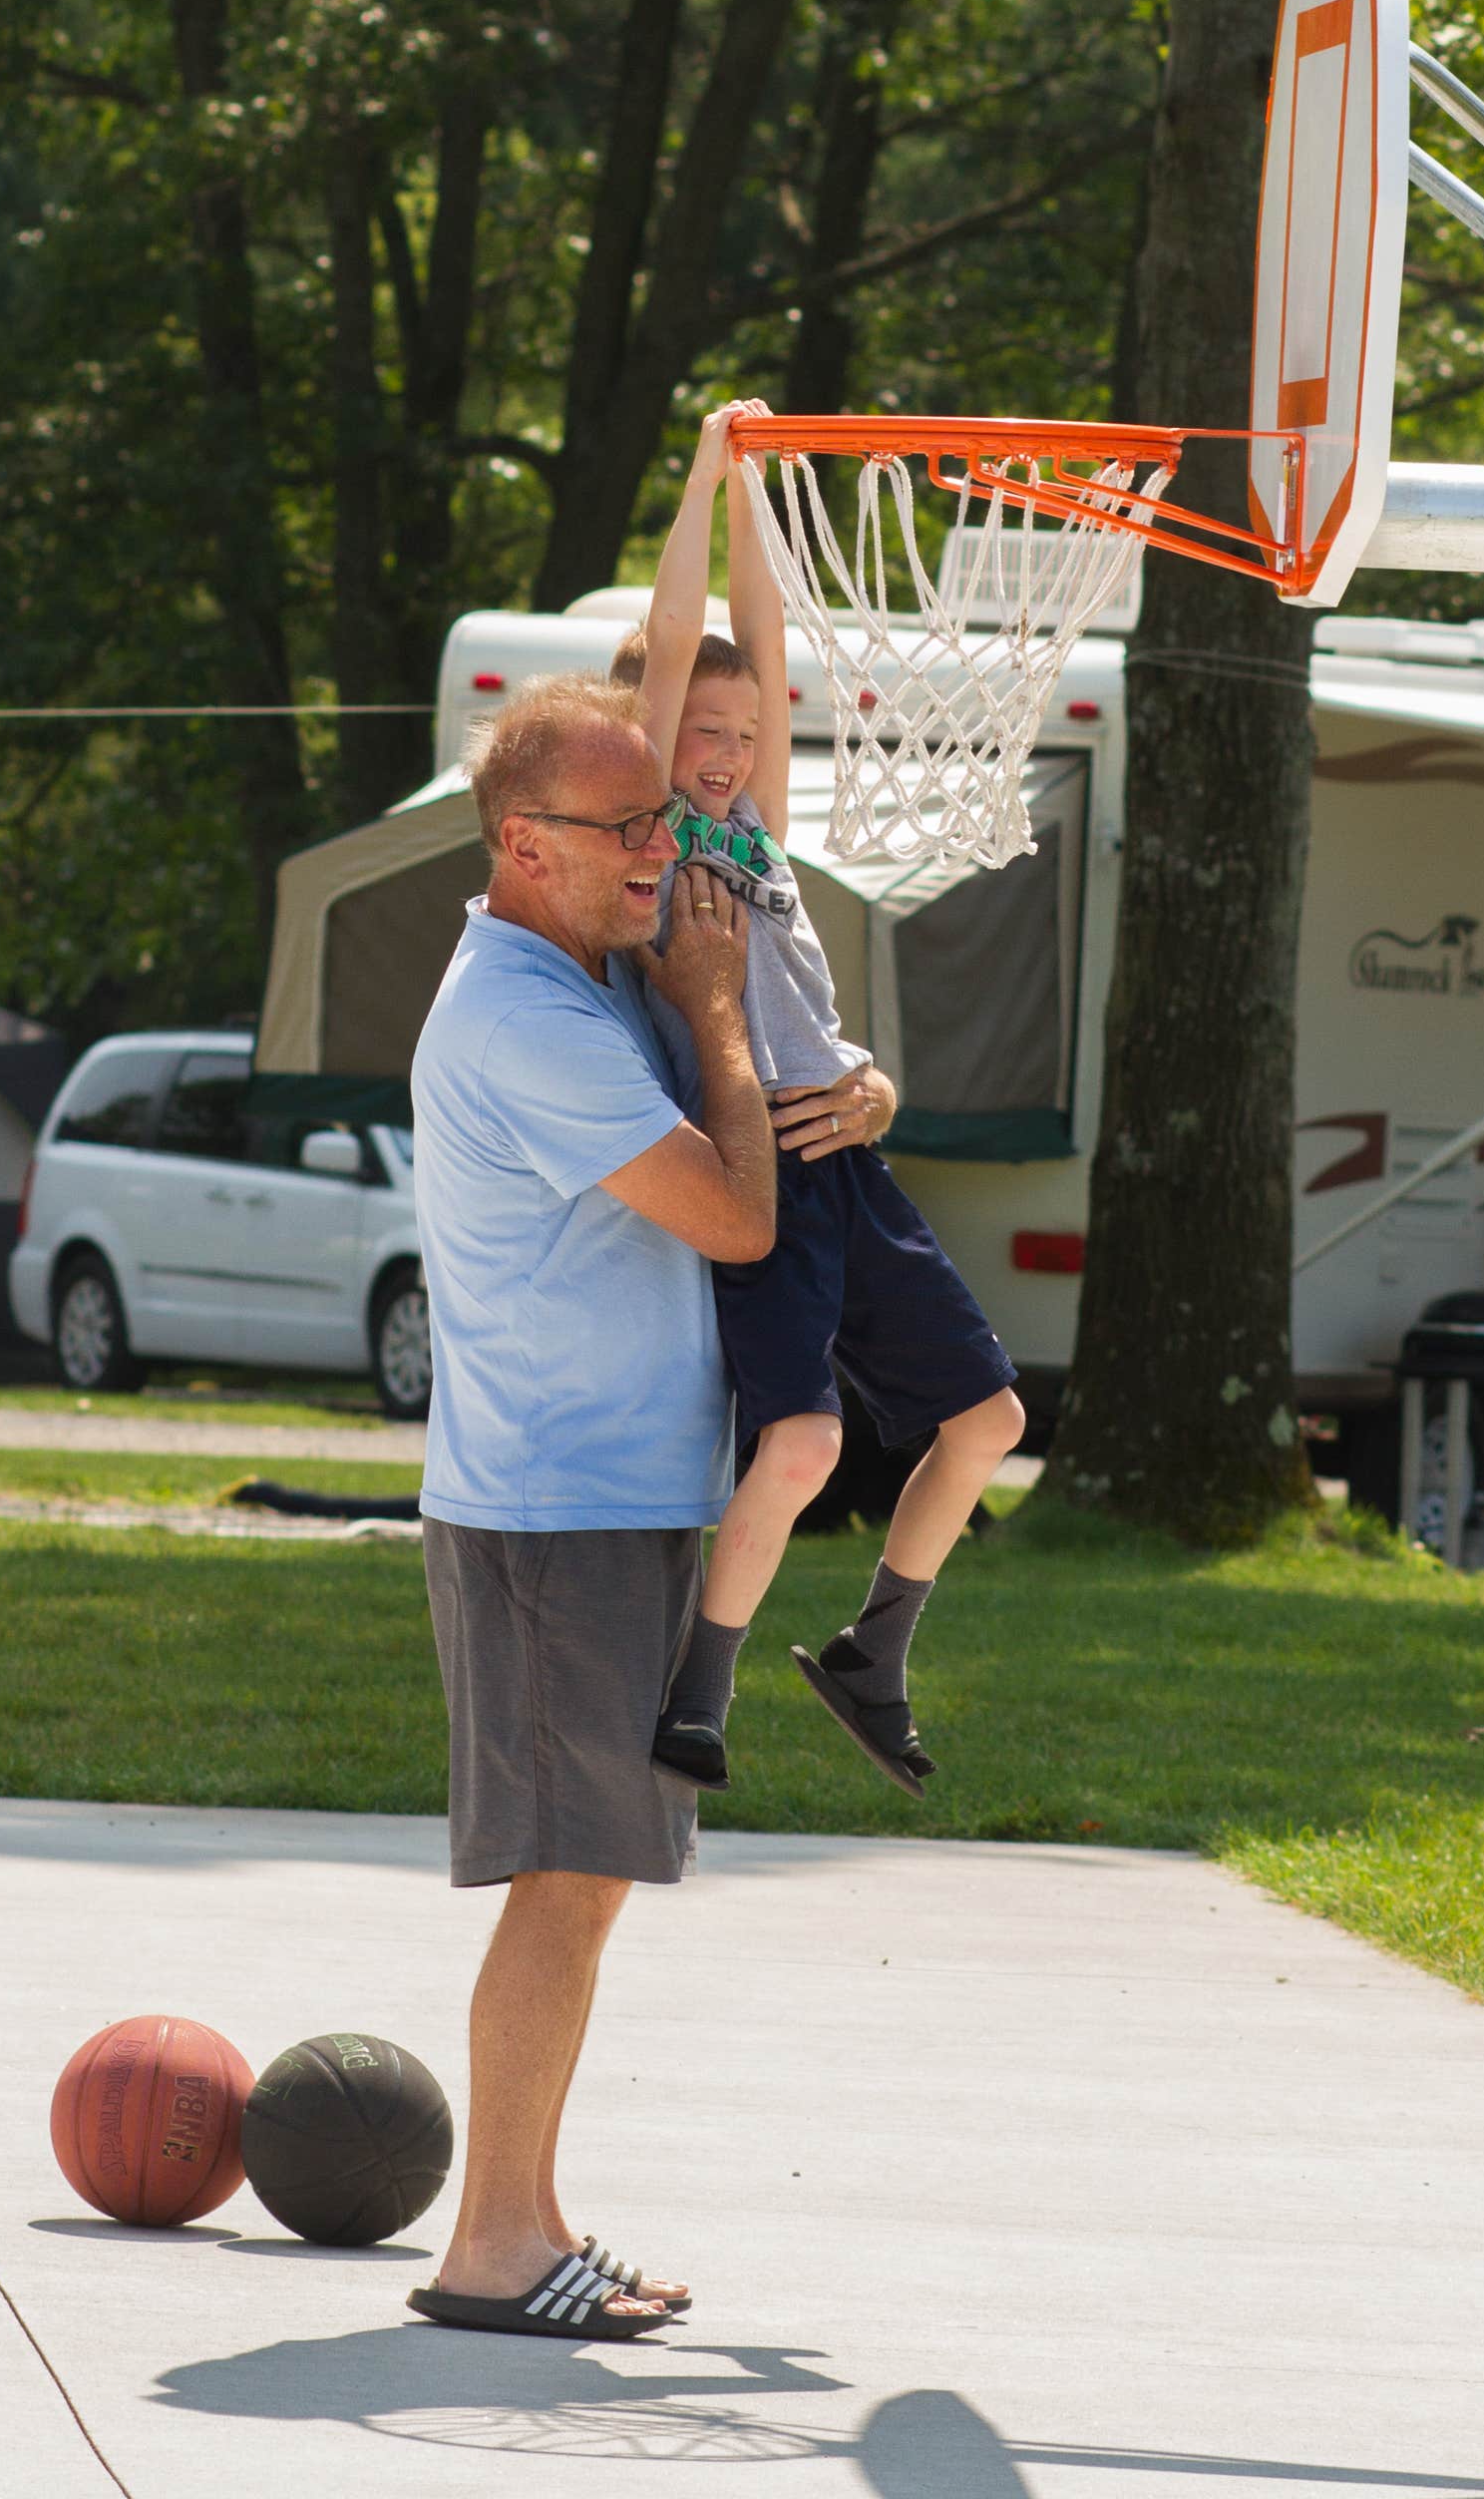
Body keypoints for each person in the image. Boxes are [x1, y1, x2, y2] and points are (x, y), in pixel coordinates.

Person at [405, 670, 775, 2341]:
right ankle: (489, 2244)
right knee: (568, 1877)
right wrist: (717, 1011)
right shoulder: (532, 1017)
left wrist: (714, 474)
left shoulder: (566, 968)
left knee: (597, 1870)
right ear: (520, 844)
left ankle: (532, 2216)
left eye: (663, 817)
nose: (661, 848)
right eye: (626, 826)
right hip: (555, 1515)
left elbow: (676, 639)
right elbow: (731, 1216)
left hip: (597, 1504)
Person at [616, 398, 1026, 1802]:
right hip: (762, 1168)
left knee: (988, 1424)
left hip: (845, 1156)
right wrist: (710, 467)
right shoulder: (650, 844)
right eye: (701, 731)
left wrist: (759, 503)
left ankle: (875, 1650)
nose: (724, 748)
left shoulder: (757, 835)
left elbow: (760, 643)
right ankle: (701, 1683)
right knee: (801, 1439)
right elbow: (684, 641)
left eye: (741, 732)